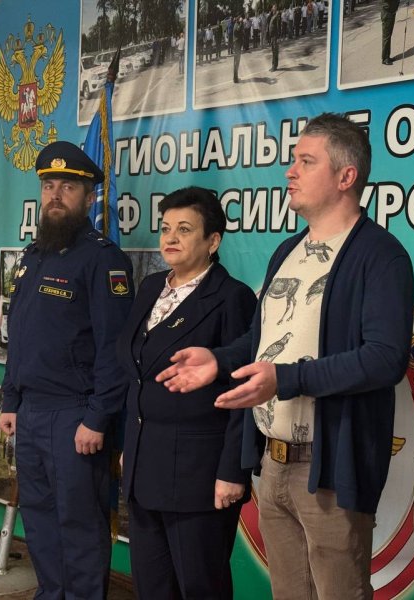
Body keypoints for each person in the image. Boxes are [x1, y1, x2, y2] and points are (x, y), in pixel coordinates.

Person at [157, 113, 414, 599]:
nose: (289, 171)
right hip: (272, 462)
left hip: (329, 467)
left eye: (306, 161)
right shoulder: (288, 251)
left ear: (346, 176)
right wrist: (219, 360)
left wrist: (286, 379)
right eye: (293, 160)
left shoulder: (380, 255)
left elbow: (384, 359)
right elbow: (262, 343)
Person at [0, 141, 134, 600]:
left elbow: (116, 350)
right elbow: (21, 335)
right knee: (39, 521)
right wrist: (11, 400)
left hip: (75, 415)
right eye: (48, 186)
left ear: (90, 197)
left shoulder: (102, 259)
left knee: (79, 525)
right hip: (31, 413)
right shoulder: (35, 255)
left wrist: (98, 417)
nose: (55, 195)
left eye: (68, 187)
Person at [117, 187, 257, 600]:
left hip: (199, 477)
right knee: (152, 587)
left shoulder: (232, 298)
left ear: (213, 241)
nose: (170, 238)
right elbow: (136, 374)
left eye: (184, 229)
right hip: (144, 468)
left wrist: (233, 470)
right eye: (165, 229)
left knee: (200, 588)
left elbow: (245, 391)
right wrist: (129, 446)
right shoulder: (151, 288)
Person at [381, 0, 399, 65]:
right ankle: (385, 58)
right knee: (386, 37)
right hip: (387, 13)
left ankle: (387, 56)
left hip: (391, 12)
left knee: (388, 36)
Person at [268, 4, 280, 71]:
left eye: (274, 7)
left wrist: (278, 37)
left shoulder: (277, 16)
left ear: (276, 8)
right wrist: (270, 13)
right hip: (272, 36)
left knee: (275, 51)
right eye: (273, 7)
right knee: (273, 51)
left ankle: (275, 66)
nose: (273, 8)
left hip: (275, 36)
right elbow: (268, 19)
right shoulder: (272, 16)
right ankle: (273, 65)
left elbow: (278, 27)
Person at [233, 16, 244, 83]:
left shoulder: (237, 24)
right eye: (239, 19)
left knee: (236, 62)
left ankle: (235, 77)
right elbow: (238, 29)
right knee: (236, 62)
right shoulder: (237, 25)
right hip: (236, 45)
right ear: (237, 20)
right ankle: (235, 79)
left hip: (237, 45)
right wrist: (241, 22)